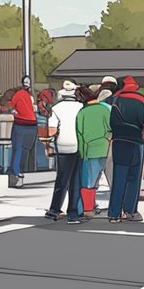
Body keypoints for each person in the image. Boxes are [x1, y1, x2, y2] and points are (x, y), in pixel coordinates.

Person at [107, 75, 144, 224]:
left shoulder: (114, 99)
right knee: (134, 178)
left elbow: (109, 120)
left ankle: (114, 213)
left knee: (119, 177)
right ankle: (130, 211)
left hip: (119, 141)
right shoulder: (142, 100)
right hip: (137, 142)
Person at [47, 81, 84, 224]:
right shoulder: (81, 107)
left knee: (61, 179)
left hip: (63, 146)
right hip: (79, 146)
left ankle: (54, 209)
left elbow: (52, 130)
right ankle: (73, 213)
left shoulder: (56, 108)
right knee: (76, 180)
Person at [76, 88, 113, 216]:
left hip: (90, 150)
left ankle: (87, 209)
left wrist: (82, 153)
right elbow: (111, 128)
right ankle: (117, 209)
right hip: (106, 148)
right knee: (113, 180)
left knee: (89, 182)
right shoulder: (105, 109)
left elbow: (79, 134)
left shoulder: (82, 112)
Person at [8, 75, 37, 188]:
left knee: (17, 149)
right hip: (32, 125)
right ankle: (22, 173)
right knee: (25, 150)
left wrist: (14, 111)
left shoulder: (18, 94)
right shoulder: (30, 96)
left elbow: (11, 107)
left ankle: (17, 173)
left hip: (21, 124)